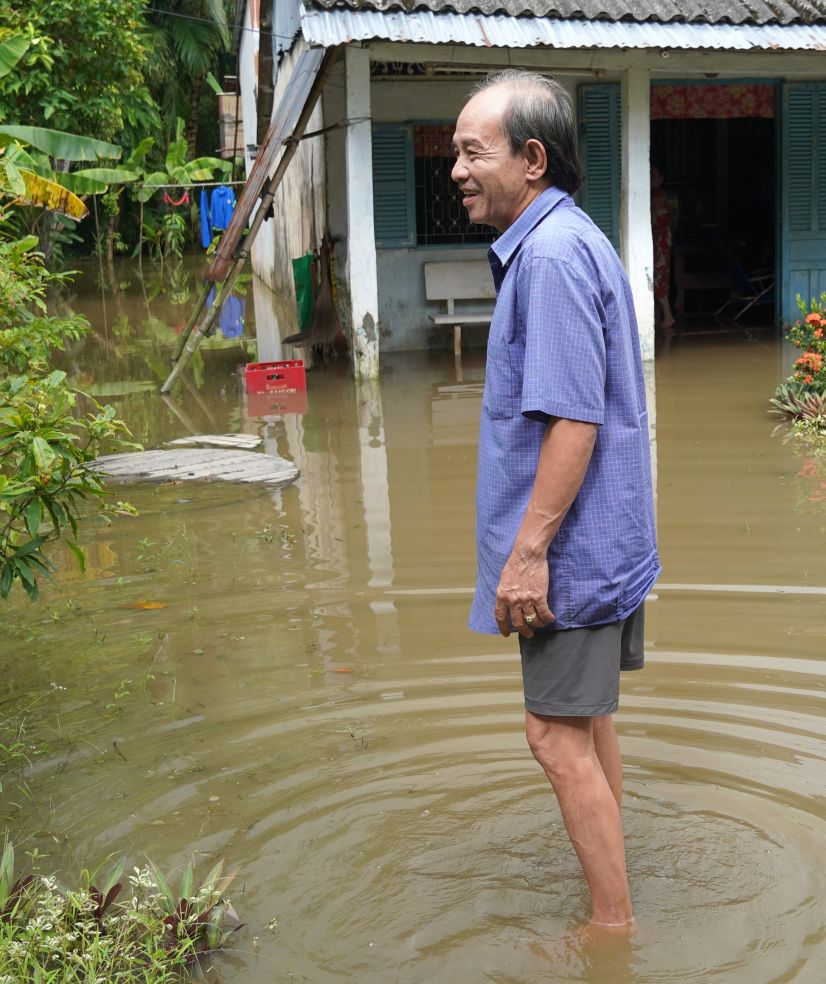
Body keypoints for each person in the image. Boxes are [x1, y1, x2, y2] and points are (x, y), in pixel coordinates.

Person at [452, 71, 660, 928]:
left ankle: (611, 930)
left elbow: (574, 421)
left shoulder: (548, 257)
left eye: (473, 152)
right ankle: (615, 895)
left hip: (570, 555)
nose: (456, 170)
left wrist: (528, 554)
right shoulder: (568, 240)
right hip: (599, 540)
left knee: (552, 736)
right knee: (585, 723)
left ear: (532, 160)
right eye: (453, 153)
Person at [650, 164, 675, 330]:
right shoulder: (656, 196)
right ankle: (661, 317)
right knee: (659, 279)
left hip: (661, 245)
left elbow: (655, 222)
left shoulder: (659, 198)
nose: (650, 180)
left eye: (653, 177)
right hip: (660, 244)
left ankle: (668, 316)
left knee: (659, 281)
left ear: (661, 180)